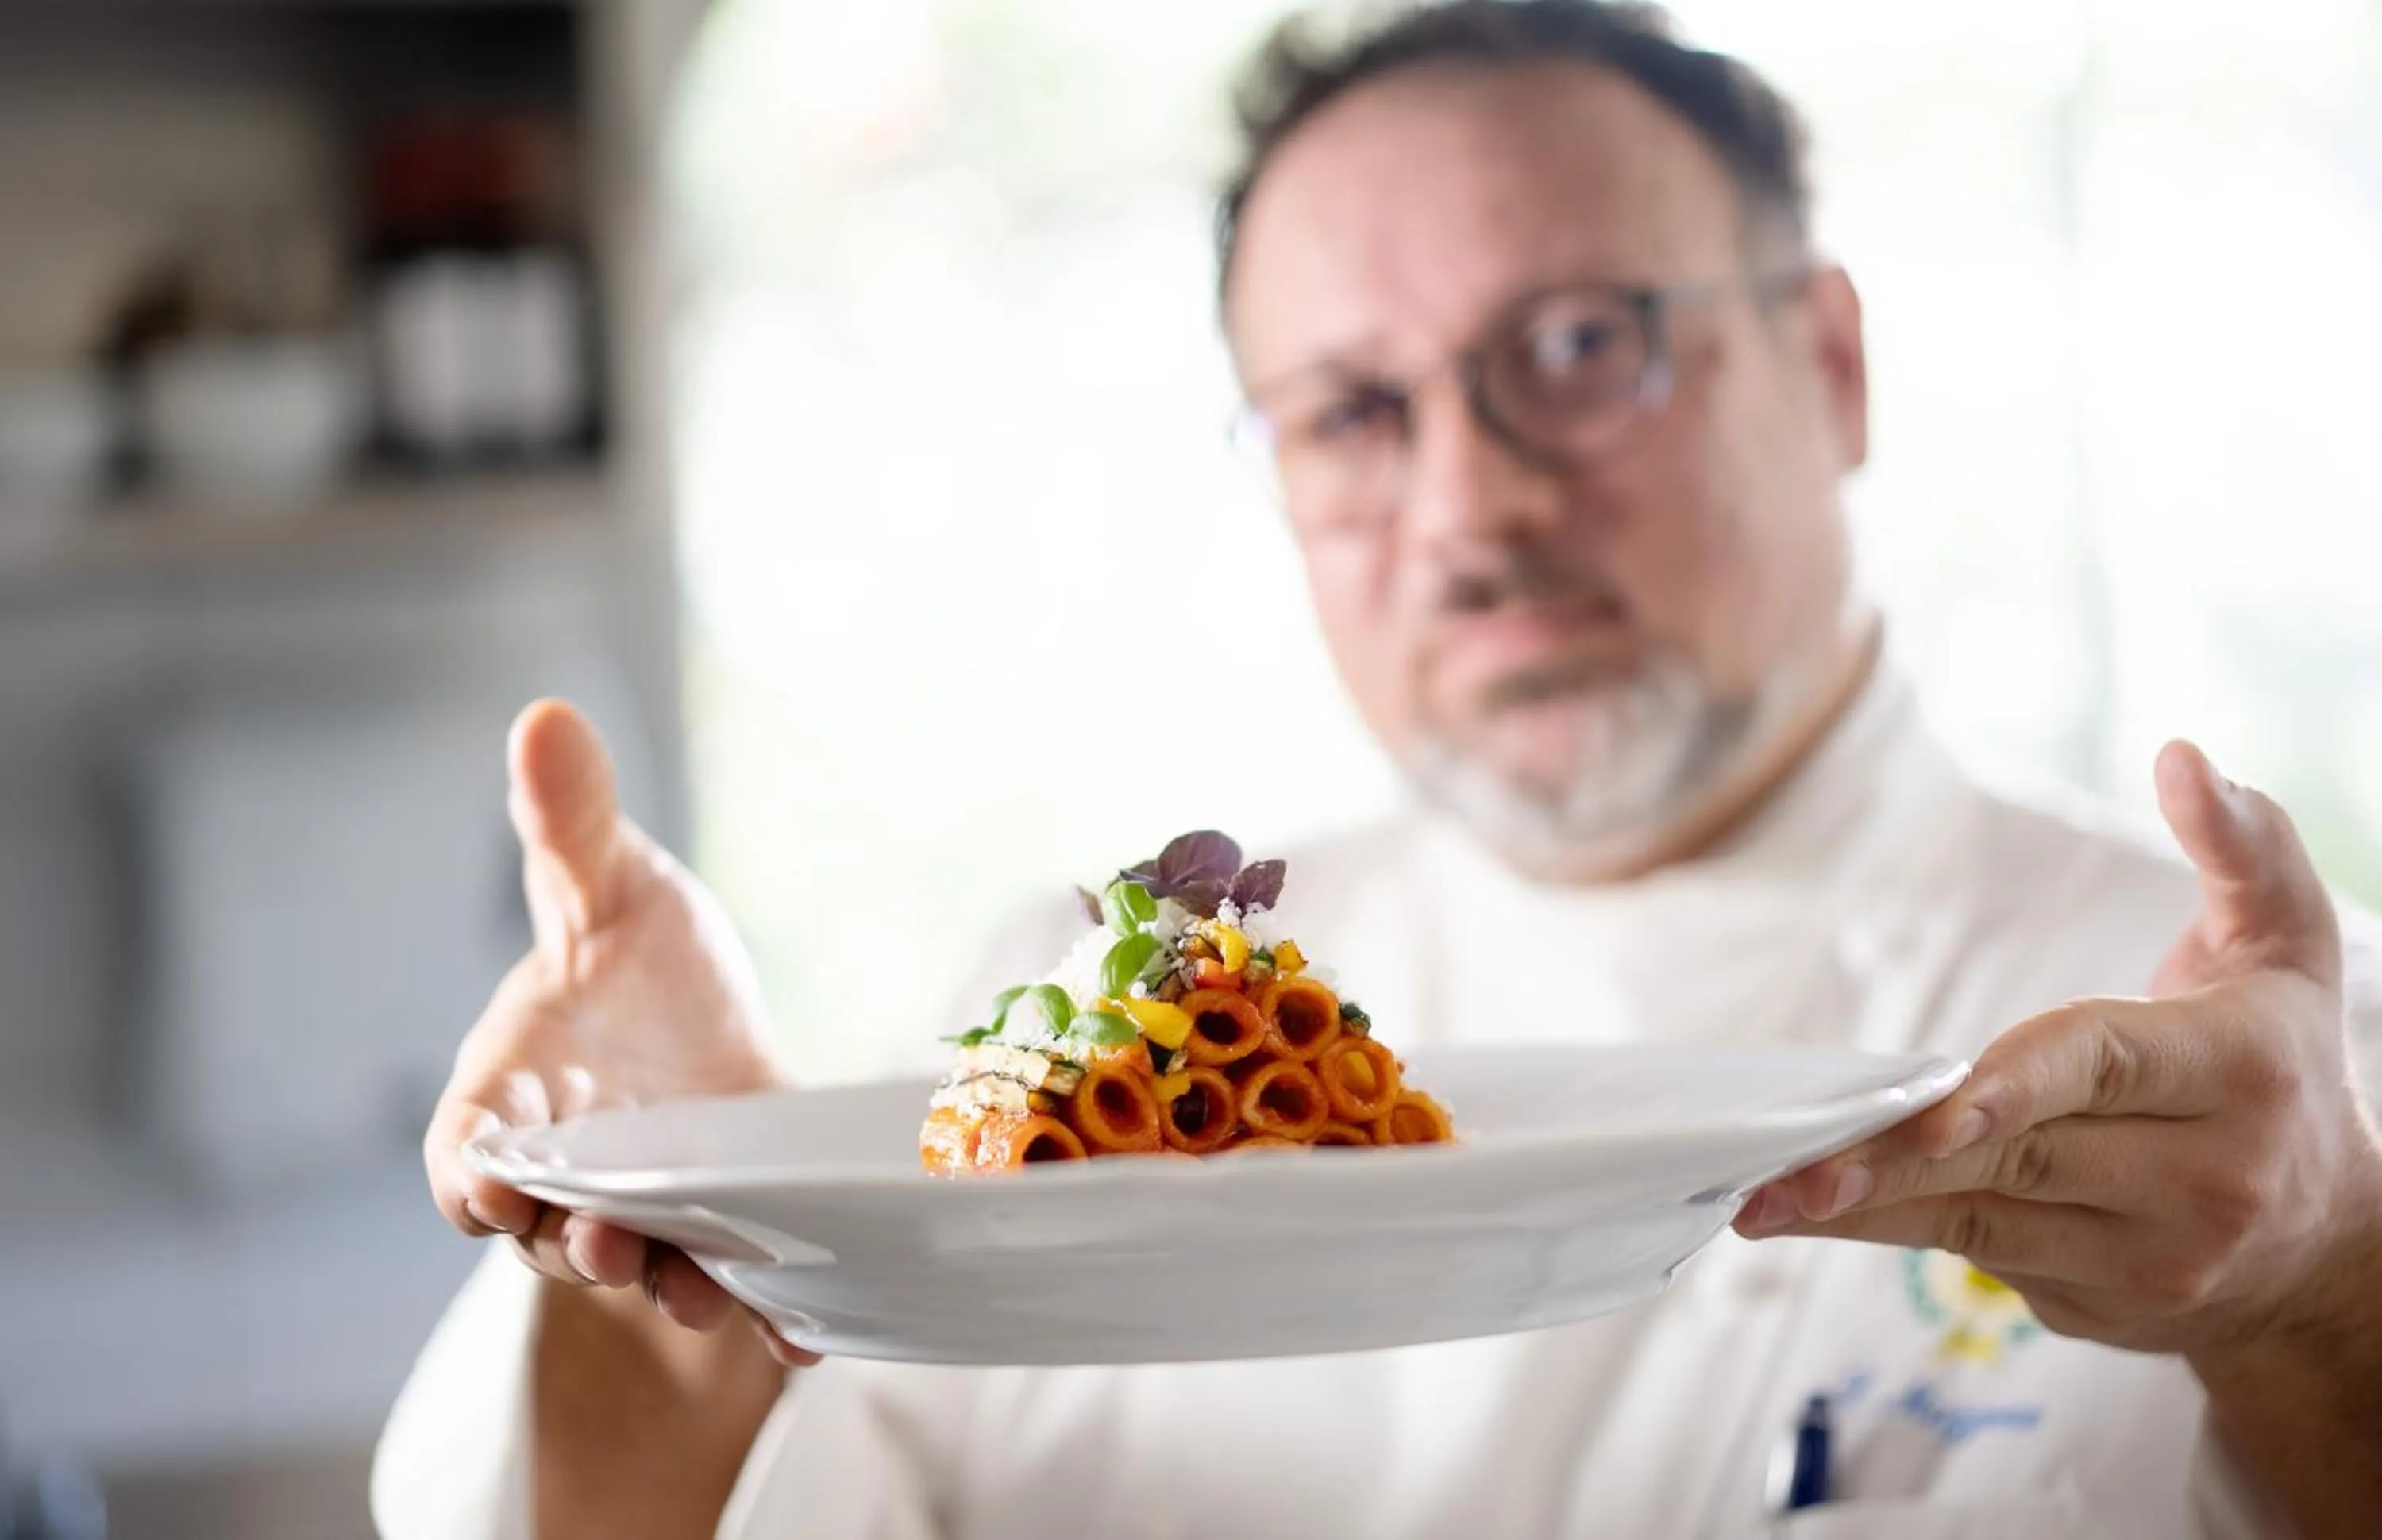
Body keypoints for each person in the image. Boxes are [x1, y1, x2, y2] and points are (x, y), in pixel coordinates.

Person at [374, 3, 2382, 1536]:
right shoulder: (1088, 1058)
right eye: (1347, 413)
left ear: (1831, 363)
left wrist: (2310, 1297)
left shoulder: (2253, 1047)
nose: (1469, 508)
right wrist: (658, 1227)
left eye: (1584, 346)